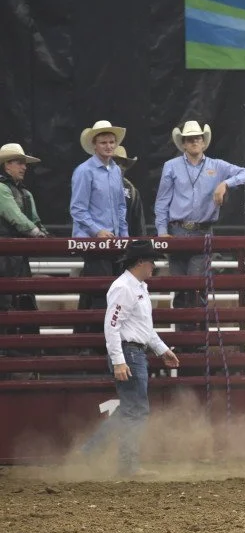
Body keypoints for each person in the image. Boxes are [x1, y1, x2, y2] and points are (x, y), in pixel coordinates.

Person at [79, 240, 180, 477]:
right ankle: (125, 463)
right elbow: (112, 325)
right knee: (136, 410)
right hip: (130, 353)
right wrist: (119, 360)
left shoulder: (136, 287)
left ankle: (93, 451)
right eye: (152, 262)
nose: (154, 266)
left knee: (131, 409)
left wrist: (162, 349)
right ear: (141, 262)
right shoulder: (125, 287)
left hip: (132, 352)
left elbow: (142, 327)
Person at [154, 120, 245, 320]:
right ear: (183, 144)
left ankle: (198, 335)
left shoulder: (217, 166)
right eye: (189, 139)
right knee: (180, 288)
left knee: (196, 286)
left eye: (197, 138)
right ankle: (185, 335)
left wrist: (226, 183)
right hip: (176, 231)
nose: (194, 142)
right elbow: (162, 201)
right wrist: (162, 232)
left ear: (203, 142)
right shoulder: (171, 167)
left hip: (202, 231)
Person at [70, 120, 129, 334]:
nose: (108, 146)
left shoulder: (115, 171)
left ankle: (92, 339)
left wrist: (124, 235)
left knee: (108, 292)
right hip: (94, 242)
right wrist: (97, 231)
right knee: (101, 293)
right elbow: (77, 209)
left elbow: (121, 206)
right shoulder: (84, 171)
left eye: (112, 142)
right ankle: (96, 341)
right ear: (94, 145)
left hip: (113, 241)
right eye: (103, 142)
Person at [0, 143, 47, 362]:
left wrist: (41, 232)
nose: (24, 167)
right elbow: (16, 218)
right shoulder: (2, 189)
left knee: (21, 299)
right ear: (7, 165)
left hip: (17, 256)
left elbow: (33, 220)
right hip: (5, 255)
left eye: (23, 163)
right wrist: (38, 234)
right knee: (6, 300)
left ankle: (22, 350)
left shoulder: (25, 193)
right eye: (19, 162)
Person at [113, 146, 147, 237]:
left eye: (124, 164)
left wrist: (141, 242)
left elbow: (139, 225)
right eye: (116, 162)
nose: (121, 167)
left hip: (125, 240)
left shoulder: (132, 190)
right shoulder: (95, 184)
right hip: (98, 240)